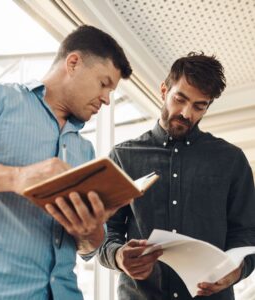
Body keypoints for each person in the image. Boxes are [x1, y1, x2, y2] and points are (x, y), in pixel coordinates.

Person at [0, 25, 132, 300]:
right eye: (103, 83)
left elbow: (88, 249)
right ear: (73, 63)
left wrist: (90, 230)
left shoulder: (84, 150)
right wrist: (17, 177)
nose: (107, 99)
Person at [98, 52, 255, 300]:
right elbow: (105, 230)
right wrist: (118, 256)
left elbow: (247, 233)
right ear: (164, 90)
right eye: (180, 99)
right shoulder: (122, 157)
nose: (186, 113)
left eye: (198, 106)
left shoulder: (232, 161)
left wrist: (237, 271)